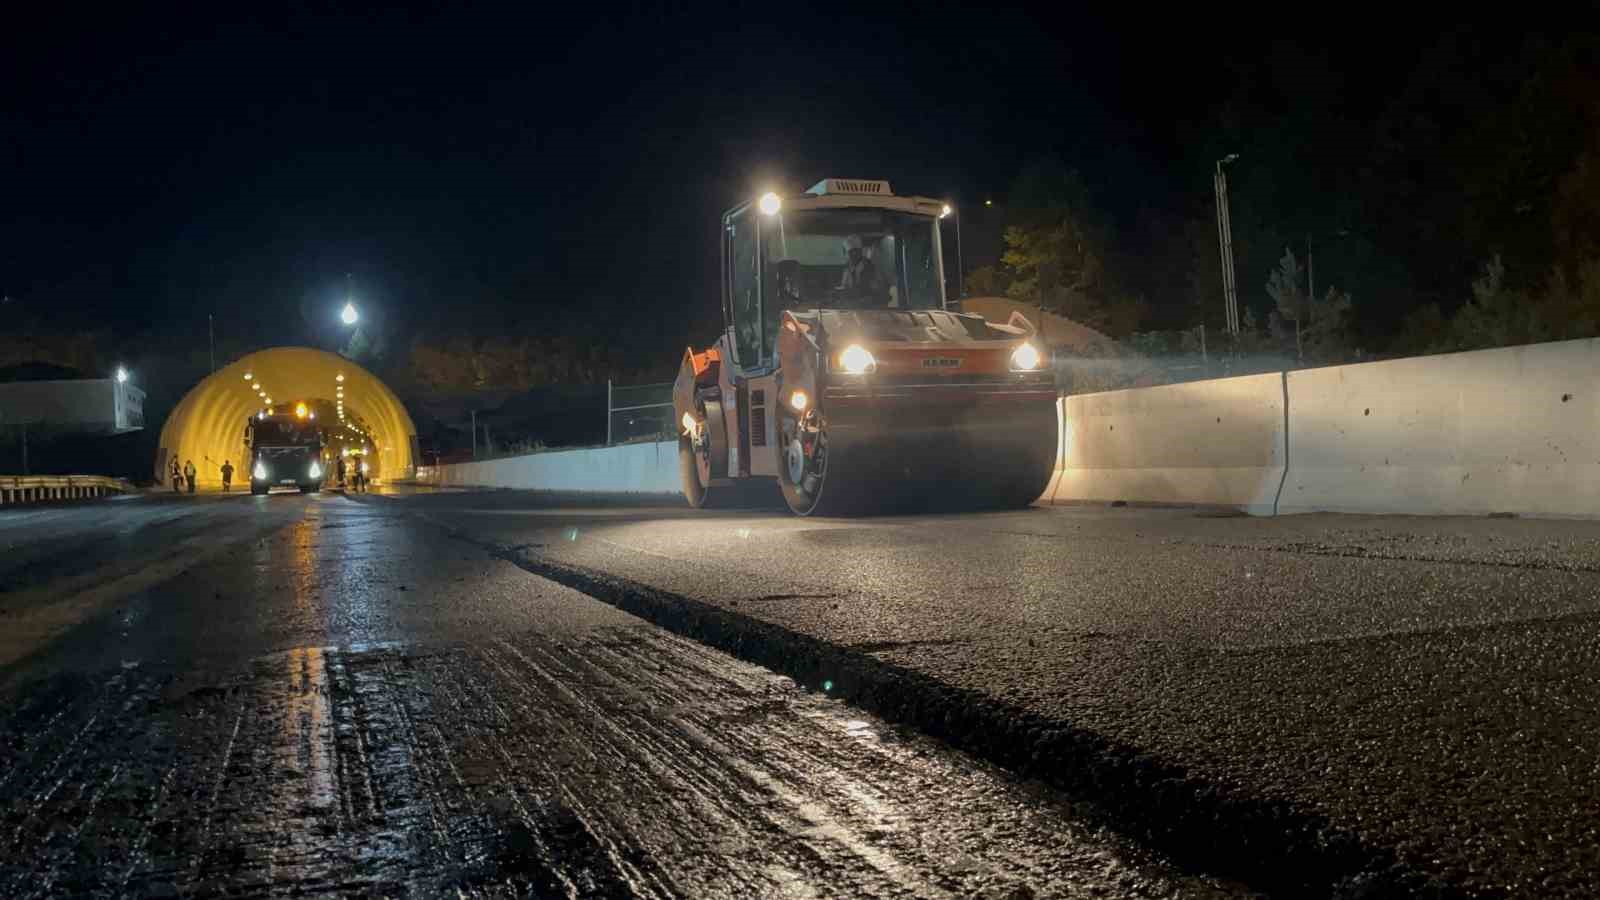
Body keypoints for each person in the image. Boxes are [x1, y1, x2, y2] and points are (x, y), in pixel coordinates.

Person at [835, 235, 886, 306]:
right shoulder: (847, 268)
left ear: (861, 251)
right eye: (850, 252)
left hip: (868, 307)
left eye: (856, 251)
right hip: (851, 305)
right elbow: (845, 285)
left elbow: (878, 289)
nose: (854, 254)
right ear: (846, 254)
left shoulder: (871, 267)